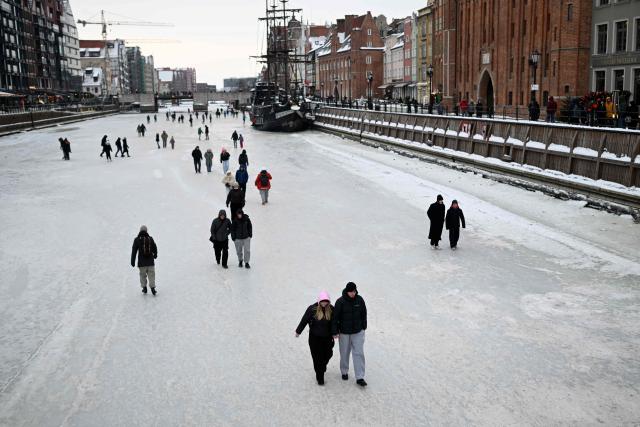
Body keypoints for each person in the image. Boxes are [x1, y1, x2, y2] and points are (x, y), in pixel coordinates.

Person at [332, 282, 367, 387]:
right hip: (344, 333)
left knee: (359, 353)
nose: (353, 293)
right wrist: (334, 331)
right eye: (351, 291)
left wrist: (363, 326)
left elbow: (364, 313)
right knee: (344, 353)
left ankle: (360, 377)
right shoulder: (340, 302)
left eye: (354, 291)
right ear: (347, 291)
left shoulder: (359, 300)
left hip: (357, 332)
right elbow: (335, 318)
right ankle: (344, 371)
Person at [296, 291, 335, 385]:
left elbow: (335, 323)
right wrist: (298, 331)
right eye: (322, 301)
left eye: (326, 301)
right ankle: (320, 377)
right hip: (315, 338)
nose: (324, 303)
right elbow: (304, 320)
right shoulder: (312, 309)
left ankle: (322, 366)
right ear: (319, 301)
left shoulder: (332, 309)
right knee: (317, 358)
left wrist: (336, 333)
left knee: (328, 354)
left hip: (327, 338)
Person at [130, 225, 158, 295]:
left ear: (140, 231)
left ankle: (144, 288)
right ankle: (153, 288)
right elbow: (155, 248)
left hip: (141, 263)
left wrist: (132, 261)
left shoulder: (137, 240)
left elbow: (134, 251)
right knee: (151, 275)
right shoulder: (150, 239)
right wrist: (155, 255)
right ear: (146, 231)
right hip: (150, 262)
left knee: (142, 275)